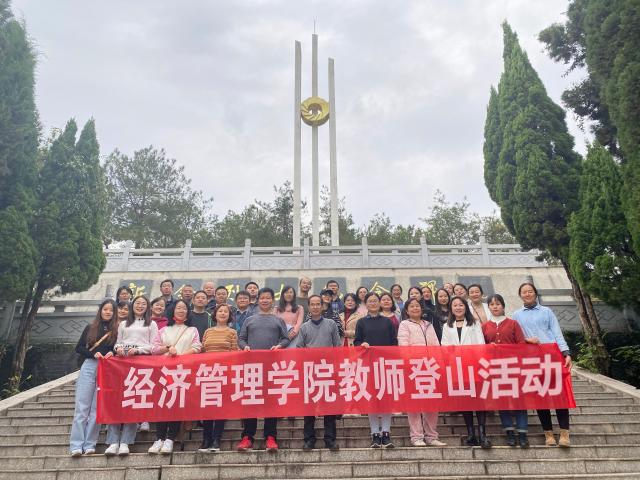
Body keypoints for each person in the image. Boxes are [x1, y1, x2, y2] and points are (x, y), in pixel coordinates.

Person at [512, 282, 572, 448]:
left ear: (535, 293)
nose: (527, 294)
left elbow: (557, 332)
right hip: (531, 359)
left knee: (559, 394)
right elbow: (516, 337)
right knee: (540, 396)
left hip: (551, 355)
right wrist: (527, 340)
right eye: (524, 292)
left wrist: (566, 352)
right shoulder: (516, 315)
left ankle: (564, 433)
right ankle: (548, 434)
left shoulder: (547, 311)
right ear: (520, 295)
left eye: (530, 291)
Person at [237, 288, 290, 452]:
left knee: (271, 402)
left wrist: (279, 346)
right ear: (258, 300)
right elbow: (241, 339)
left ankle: (271, 436)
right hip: (252, 367)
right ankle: (247, 437)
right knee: (251, 402)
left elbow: (286, 339)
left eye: (268, 298)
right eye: (262, 298)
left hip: (272, 367)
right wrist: (245, 347)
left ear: (272, 301)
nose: (265, 300)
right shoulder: (249, 320)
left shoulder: (278, 320)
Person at [107, 296, 158, 456]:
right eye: (137, 303)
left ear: (147, 307)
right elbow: (118, 342)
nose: (140, 306)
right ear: (132, 305)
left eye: (143, 304)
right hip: (122, 363)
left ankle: (126, 441)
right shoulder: (123, 324)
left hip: (141, 363)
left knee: (134, 400)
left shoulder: (151, 324)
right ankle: (113, 441)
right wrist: (118, 348)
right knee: (116, 400)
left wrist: (138, 350)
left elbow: (154, 346)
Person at [149, 300, 201, 454]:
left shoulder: (192, 330)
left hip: (183, 372)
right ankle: (159, 438)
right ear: (173, 311)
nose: (181, 310)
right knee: (162, 404)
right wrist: (167, 348)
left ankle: (170, 438)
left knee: (176, 404)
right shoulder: (164, 330)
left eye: (184, 308)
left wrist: (180, 357)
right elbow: (153, 348)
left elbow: (197, 346)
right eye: (178, 308)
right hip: (164, 372)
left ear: (188, 313)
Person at [69, 299, 118, 457]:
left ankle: (90, 444)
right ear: (100, 310)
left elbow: (116, 348)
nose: (108, 312)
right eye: (105, 309)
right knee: (82, 407)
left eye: (111, 310)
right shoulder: (90, 328)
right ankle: (76, 445)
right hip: (90, 365)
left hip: (106, 368)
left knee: (97, 409)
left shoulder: (116, 330)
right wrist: (92, 354)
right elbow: (79, 348)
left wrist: (112, 353)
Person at [441, 296, 490, 448]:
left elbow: (481, 344)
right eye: (455, 305)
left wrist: (480, 363)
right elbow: (444, 345)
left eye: (461, 305)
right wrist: (452, 351)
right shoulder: (447, 325)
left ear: (465, 307)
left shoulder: (474, 323)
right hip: (457, 367)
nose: (458, 307)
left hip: (474, 366)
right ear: (451, 308)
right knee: (465, 400)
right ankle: (471, 434)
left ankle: (483, 434)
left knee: (479, 401)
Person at [397, 298, 446, 447]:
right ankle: (417, 437)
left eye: (417, 306)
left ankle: (431, 436)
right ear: (407, 310)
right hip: (414, 368)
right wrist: (411, 362)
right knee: (414, 403)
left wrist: (439, 364)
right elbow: (403, 346)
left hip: (431, 368)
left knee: (432, 403)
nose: (415, 308)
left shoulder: (428, 325)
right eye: (411, 306)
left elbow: (436, 345)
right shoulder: (404, 325)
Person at [482, 293, 529, 448]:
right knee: (502, 400)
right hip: (495, 369)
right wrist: (489, 348)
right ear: (488, 307)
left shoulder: (513, 324)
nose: (495, 307)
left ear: (503, 305)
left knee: (519, 400)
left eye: (498, 304)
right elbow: (481, 348)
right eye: (492, 304)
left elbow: (521, 345)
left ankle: (522, 433)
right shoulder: (485, 326)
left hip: (513, 367)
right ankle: (509, 432)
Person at [297, 295, 342, 451]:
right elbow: (299, 349)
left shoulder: (331, 324)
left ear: (323, 306)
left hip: (328, 371)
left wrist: (336, 367)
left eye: (318, 304)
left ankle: (330, 439)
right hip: (310, 372)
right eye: (312, 304)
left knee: (330, 406)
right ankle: (309, 439)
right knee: (309, 407)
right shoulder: (304, 327)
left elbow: (337, 346)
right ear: (309, 307)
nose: (315, 307)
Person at [354, 292, 398, 448]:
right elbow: (356, 342)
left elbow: (394, 343)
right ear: (366, 304)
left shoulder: (387, 322)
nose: (373, 303)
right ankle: (374, 434)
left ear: (379, 303)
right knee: (372, 399)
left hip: (385, 365)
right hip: (368, 365)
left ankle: (386, 432)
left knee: (385, 399)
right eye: (370, 301)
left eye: (375, 301)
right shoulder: (361, 322)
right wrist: (362, 345)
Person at [198, 304, 239, 451]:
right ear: (215, 315)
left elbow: (234, 352)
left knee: (221, 408)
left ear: (229, 315)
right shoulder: (208, 332)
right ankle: (206, 439)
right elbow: (202, 350)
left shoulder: (232, 332)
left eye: (225, 311)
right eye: (220, 311)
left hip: (223, 373)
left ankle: (216, 439)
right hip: (208, 373)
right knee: (207, 408)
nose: (222, 313)